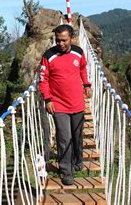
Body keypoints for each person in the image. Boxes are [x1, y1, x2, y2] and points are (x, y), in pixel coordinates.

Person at [38, 24, 92, 185]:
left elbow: (83, 69)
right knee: (64, 138)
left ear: (72, 39)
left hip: (77, 103)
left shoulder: (79, 52)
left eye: (64, 40)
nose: (60, 44)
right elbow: (43, 80)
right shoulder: (48, 56)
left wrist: (87, 84)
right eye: (57, 40)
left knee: (77, 136)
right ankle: (66, 170)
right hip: (58, 104)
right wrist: (47, 99)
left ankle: (77, 160)